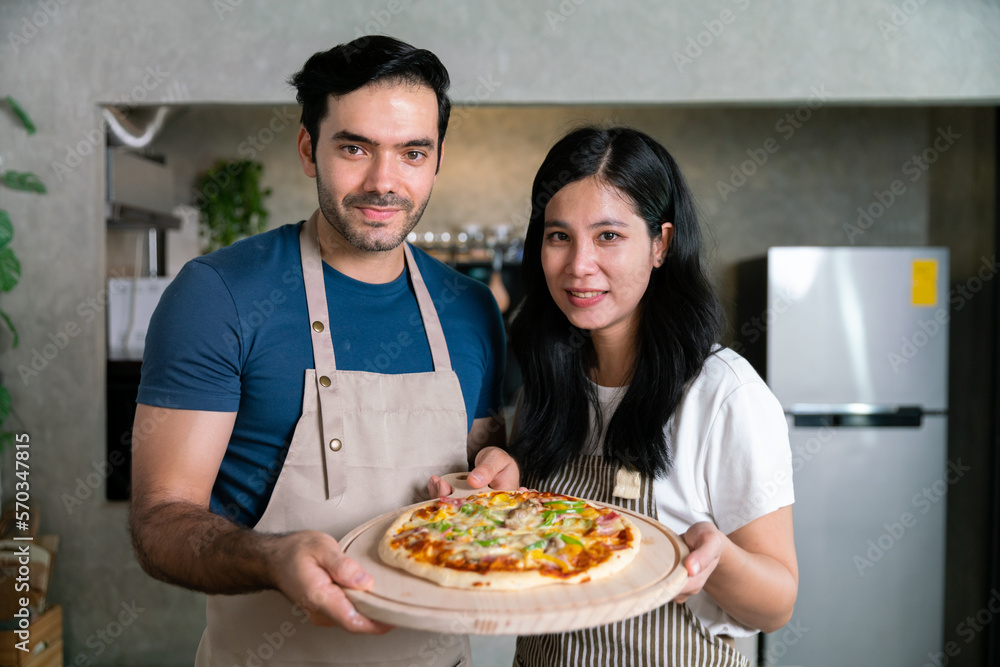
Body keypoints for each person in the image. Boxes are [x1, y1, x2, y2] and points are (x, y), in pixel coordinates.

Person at [128, 36, 518, 667]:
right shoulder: (218, 295)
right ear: (309, 149)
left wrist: (495, 476)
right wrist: (270, 558)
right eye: (355, 147)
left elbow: (477, 471)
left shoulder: (472, 309)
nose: (384, 182)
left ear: (437, 159)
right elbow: (159, 521)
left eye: (412, 153)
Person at [506, 126, 798, 667]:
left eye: (608, 236)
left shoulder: (723, 393)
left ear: (660, 244)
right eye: (559, 236)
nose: (579, 265)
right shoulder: (546, 384)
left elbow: (777, 604)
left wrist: (721, 558)